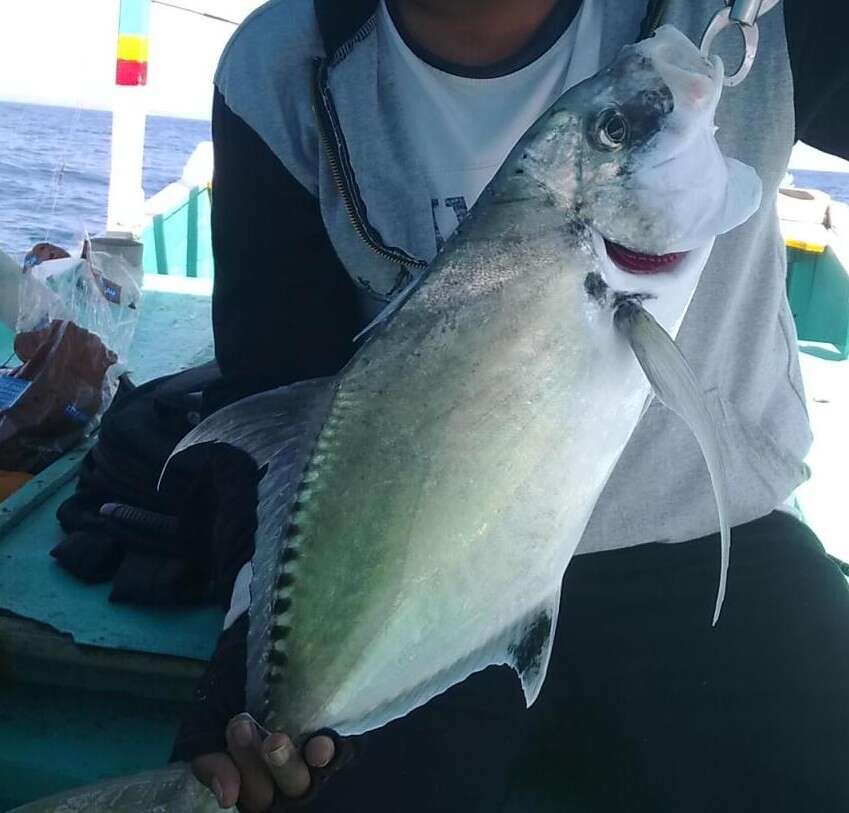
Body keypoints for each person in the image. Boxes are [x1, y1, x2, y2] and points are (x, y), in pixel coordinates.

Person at [173, 1, 849, 810]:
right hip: (423, 570)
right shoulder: (280, 67)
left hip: (709, 538)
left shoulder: (764, 17)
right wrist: (256, 655)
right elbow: (283, 393)